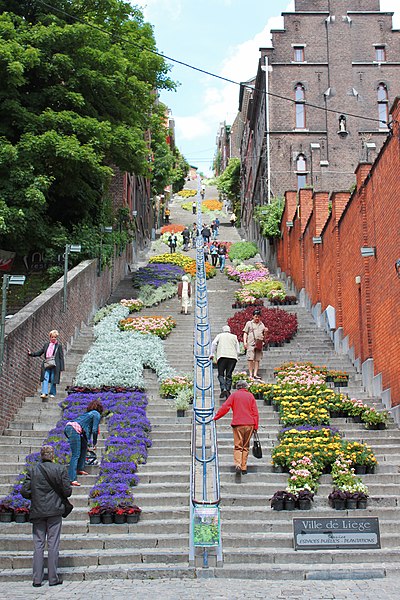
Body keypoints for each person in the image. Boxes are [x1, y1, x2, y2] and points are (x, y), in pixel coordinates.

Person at [21, 445, 72, 587]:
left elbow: (24, 491)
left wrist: (35, 496)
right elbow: (67, 492)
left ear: (41, 456)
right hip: (55, 510)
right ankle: (52, 578)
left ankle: (37, 579)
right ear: (52, 456)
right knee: (53, 544)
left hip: (38, 511)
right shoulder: (60, 469)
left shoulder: (33, 470)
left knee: (38, 544)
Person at [213, 380, 259, 476]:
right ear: (246, 387)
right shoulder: (250, 396)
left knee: (238, 446)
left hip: (238, 423)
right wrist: (256, 426)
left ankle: (237, 464)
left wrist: (216, 417)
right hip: (249, 423)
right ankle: (244, 466)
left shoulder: (234, 395)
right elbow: (255, 412)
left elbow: (225, 407)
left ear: (237, 387)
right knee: (245, 446)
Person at [64, 399, 104, 486]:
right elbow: (94, 430)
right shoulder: (96, 414)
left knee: (84, 447)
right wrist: (94, 443)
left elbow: (87, 433)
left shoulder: (88, 415)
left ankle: (80, 468)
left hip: (70, 428)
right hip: (74, 429)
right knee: (76, 454)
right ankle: (72, 478)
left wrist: (88, 444)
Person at [28, 330, 65, 401]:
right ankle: (44, 393)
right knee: (45, 377)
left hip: (55, 365)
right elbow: (40, 352)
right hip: (47, 363)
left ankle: (52, 393)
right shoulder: (46, 345)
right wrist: (31, 354)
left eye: (55, 337)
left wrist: (61, 368)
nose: (53, 339)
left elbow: (61, 357)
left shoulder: (58, 346)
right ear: (50, 337)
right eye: (52, 337)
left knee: (53, 378)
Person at [210, 325, 240, 398]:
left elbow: (214, 343)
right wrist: (236, 355)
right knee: (229, 375)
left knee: (221, 374)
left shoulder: (220, 335)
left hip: (222, 356)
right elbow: (238, 350)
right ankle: (228, 390)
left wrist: (212, 354)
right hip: (233, 357)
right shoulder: (234, 337)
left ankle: (223, 388)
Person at [243, 308, 268, 379]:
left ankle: (255, 374)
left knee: (257, 359)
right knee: (250, 359)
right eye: (256, 316)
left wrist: (266, 332)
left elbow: (265, 336)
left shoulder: (262, 324)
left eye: (259, 316)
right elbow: (245, 333)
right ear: (253, 316)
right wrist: (245, 342)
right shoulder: (249, 323)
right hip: (251, 343)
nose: (257, 318)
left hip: (259, 343)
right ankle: (250, 374)